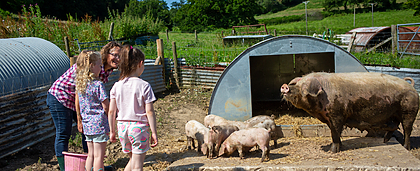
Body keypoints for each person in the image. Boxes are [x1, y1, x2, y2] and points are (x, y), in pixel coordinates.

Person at [46, 41, 121, 171]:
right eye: (115, 55)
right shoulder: (92, 64)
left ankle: (92, 165)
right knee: (64, 132)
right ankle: (65, 168)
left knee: (88, 132)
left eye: (120, 56)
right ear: (106, 54)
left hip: (80, 101)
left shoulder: (104, 69)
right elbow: (78, 93)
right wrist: (80, 119)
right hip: (60, 96)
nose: (118, 58)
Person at [108, 45, 158, 171]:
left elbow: (111, 111)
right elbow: (150, 111)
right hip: (139, 128)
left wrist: (112, 131)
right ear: (140, 64)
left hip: (122, 128)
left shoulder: (116, 86)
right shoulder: (144, 86)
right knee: (137, 166)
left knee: (133, 160)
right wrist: (154, 132)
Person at [75, 50, 109, 171]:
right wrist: (111, 115)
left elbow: (79, 104)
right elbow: (106, 106)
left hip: (88, 125)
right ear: (91, 66)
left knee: (91, 154)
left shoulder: (81, 85)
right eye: (99, 66)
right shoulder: (98, 85)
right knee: (99, 156)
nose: (101, 68)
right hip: (99, 124)